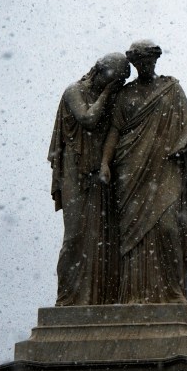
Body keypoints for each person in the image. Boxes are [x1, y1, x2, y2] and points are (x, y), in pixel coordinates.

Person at [100, 40, 187, 304]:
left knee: (168, 227)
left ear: (155, 60)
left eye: (149, 60)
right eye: (139, 61)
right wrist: (105, 162)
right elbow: (115, 131)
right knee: (132, 237)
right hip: (131, 170)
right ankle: (133, 295)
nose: (145, 65)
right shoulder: (125, 96)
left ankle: (172, 293)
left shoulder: (171, 90)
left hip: (166, 168)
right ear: (134, 63)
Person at [48, 52, 131, 306]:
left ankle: (100, 299)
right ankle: (68, 298)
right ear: (99, 71)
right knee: (75, 236)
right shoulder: (74, 91)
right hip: (75, 172)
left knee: (103, 239)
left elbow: (114, 132)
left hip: (100, 176)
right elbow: (88, 119)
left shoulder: (112, 99)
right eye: (111, 79)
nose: (112, 85)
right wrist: (107, 93)